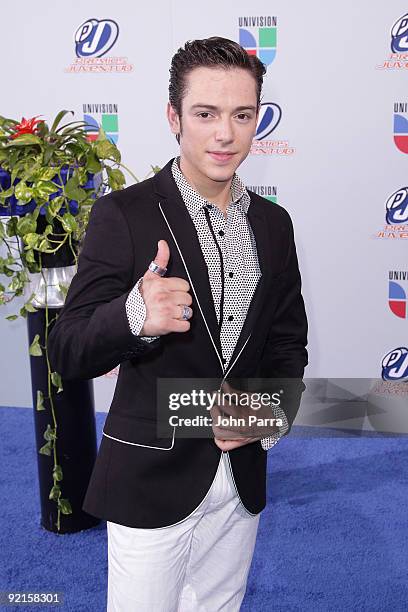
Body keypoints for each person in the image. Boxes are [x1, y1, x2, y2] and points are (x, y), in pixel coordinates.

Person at [48, 36, 308, 611]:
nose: (225, 134)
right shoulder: (126, 215)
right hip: (149, 473)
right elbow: (67, 349)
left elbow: (288, 340)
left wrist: (268, 416)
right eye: (206, 114)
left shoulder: (274, 223)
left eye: (243, 115)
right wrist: (137, 316)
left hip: (240, 475)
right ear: (174, 117)